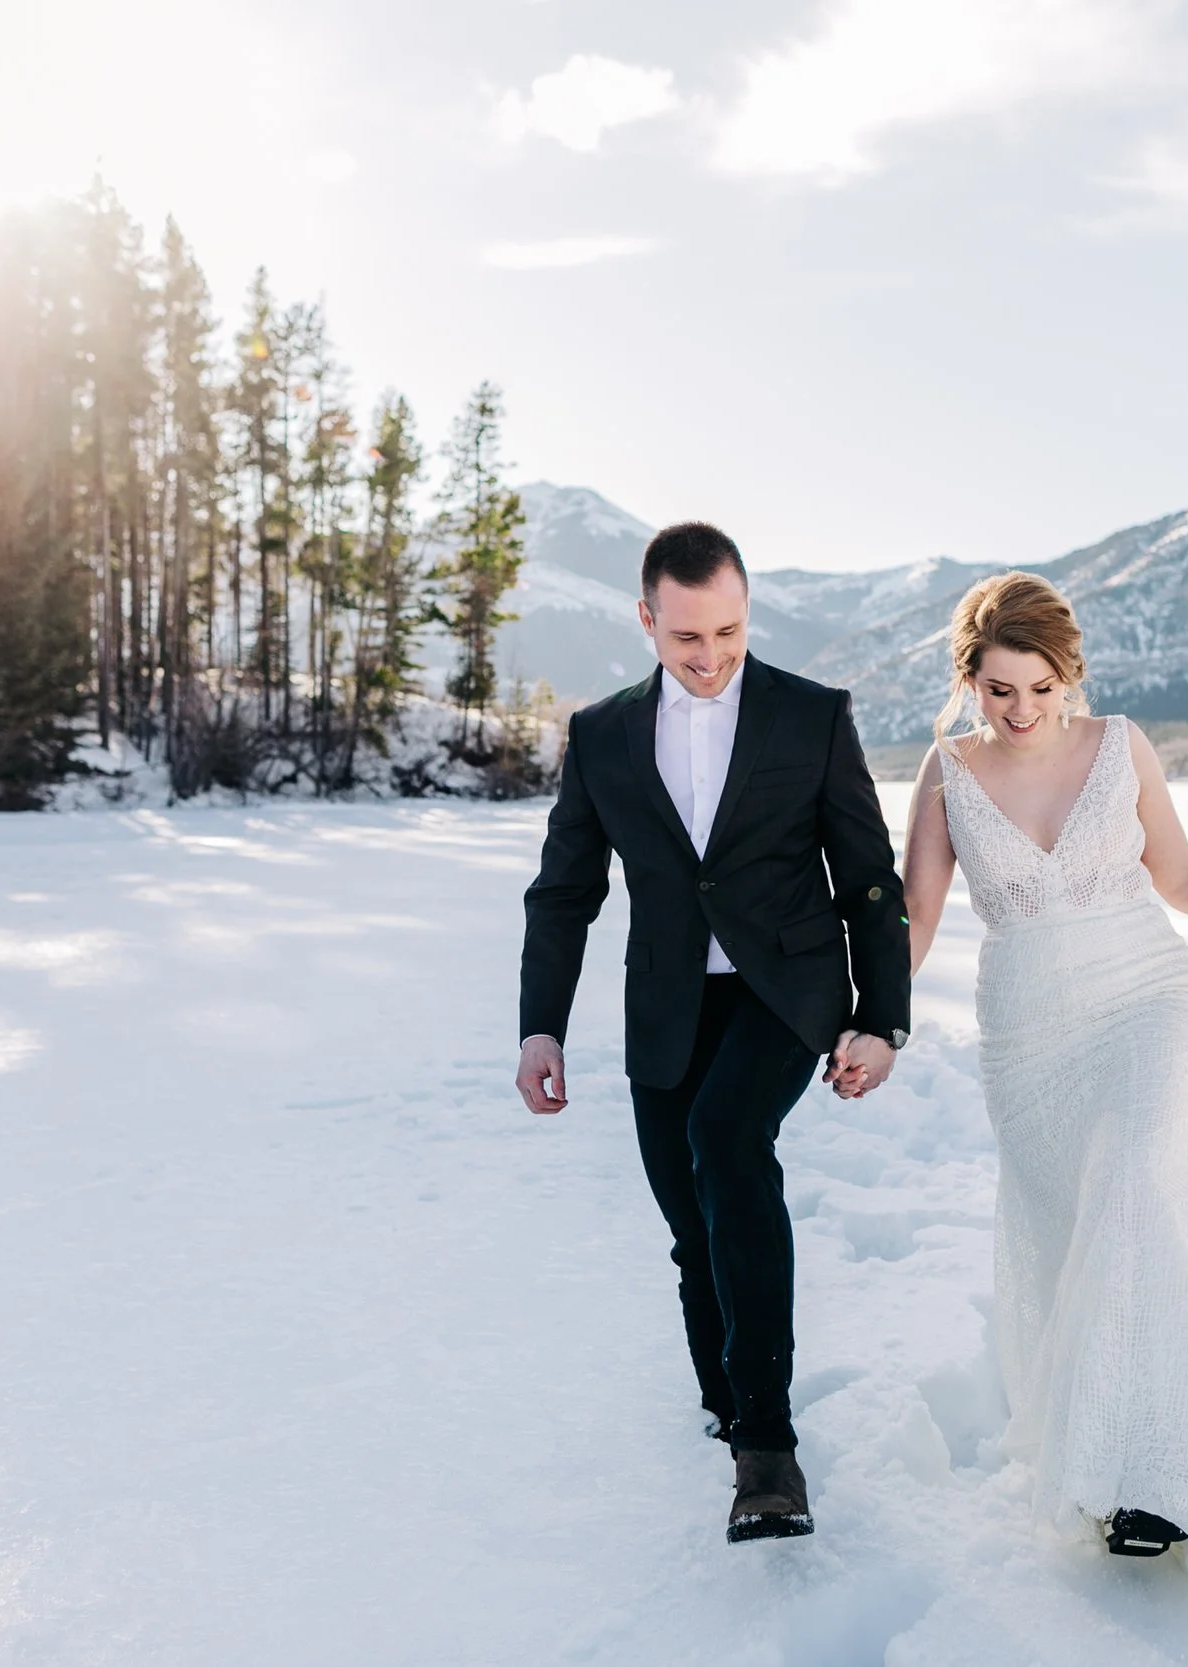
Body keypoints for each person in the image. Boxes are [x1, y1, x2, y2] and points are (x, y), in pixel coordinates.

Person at [837, 570, 1188, 1618]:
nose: (1022, 710)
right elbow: (912, 917)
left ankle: (1166, 1480)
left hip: (1149, 999)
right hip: (1031, 1035)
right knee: (1078, 1231)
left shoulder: (1119, 744)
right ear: (969, 682)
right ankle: (1117, 1455)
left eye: (1040, 687)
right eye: (998, 689)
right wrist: (877, 1021)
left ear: (1069, 674)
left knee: (1138, 1180)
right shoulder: (947, 773)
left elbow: (1181, 878)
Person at [515, 522, 912, 1544]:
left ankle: (767, 1448)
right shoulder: (600, 734)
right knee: (693, 1226)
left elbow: (867, 873)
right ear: (646, 618)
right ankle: (726, 1401)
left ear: (747, 610)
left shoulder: (809, 717)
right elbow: (564, 892)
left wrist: (882, 1018)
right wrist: (539, 1027)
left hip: (786, 990)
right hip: (667, 1003)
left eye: (728, 630)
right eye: (686, 634)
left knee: (728, 1143)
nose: (708, 654)